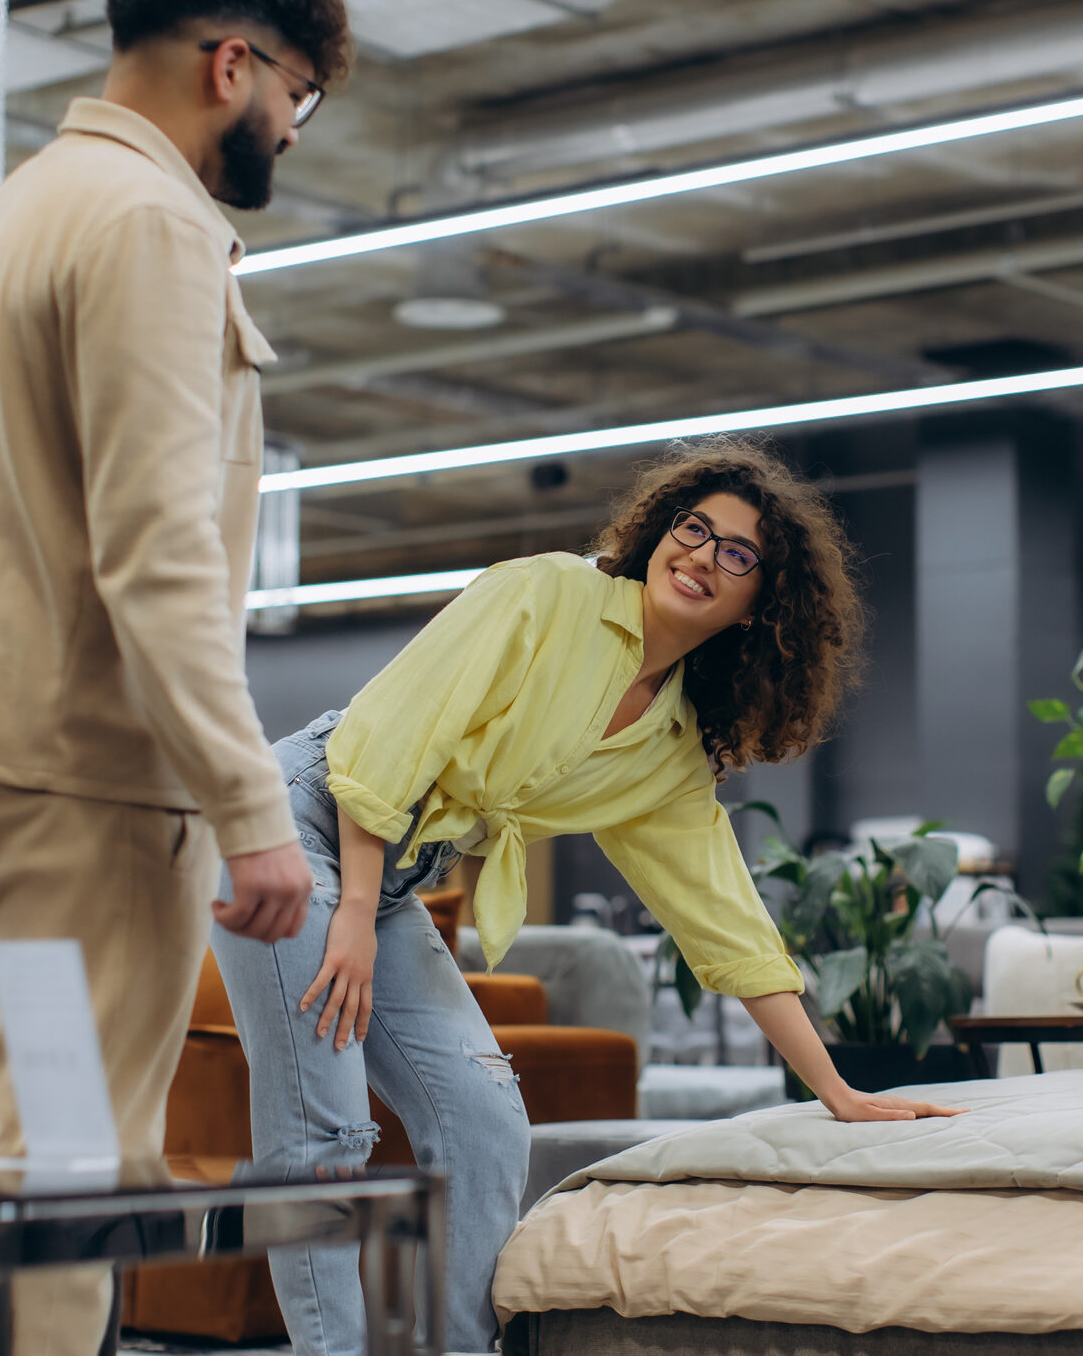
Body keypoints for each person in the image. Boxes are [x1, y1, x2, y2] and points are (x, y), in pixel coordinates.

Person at [213, 439, 963, 1356]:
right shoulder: (546, 594)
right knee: (325, 1126)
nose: (702, 556)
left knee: (485, 1121)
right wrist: (352, 917)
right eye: (695, 528)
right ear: (659, 532)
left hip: (399, 869)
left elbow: (725, 921)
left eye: (737, 553)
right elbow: (380, 743)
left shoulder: (674, 745)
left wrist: (837, 1089)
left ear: (761, 603)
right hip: (304, 822)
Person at [0, 0, 351, 1350]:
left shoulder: (26, 205)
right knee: (75, 1163)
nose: (285, 130)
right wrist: (249, 808)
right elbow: (156, 553)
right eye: (297, 98)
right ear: (232, 66)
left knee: (3, 1145)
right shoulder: (151, 224)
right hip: (88, 783)